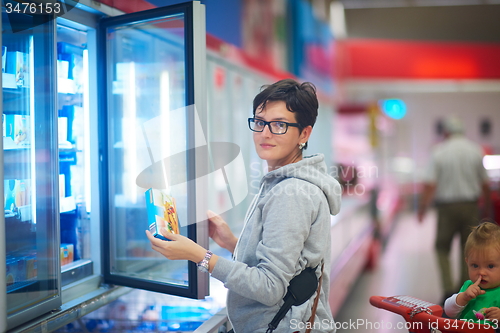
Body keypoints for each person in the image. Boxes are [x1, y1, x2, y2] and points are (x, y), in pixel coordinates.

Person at [146, 79, 342, 333]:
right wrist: (231, 242)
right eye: (260, 122)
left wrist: (198, 255)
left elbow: (270, 287)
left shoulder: (292, 192)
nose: (265, 133)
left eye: (279, 125)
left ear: (304, 133)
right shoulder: (282, 181)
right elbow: (287, 263)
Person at [418, 116, 491, 302]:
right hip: (470, 206)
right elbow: (485, 183)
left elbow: (430, 184)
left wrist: (422, 208)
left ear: (446, 132)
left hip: (446, 208)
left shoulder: (439, 151)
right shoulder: (475, 150)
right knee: (469, 249)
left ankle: (447, 288)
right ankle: (465, 288)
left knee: (442, 247)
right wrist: (488, 209)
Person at [444, 221, 500, 325]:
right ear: (467, 262)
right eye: (475, 265)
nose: (481, 272)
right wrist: (463, 297)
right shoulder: (469, 287)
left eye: (490, 266)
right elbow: (448, 311)